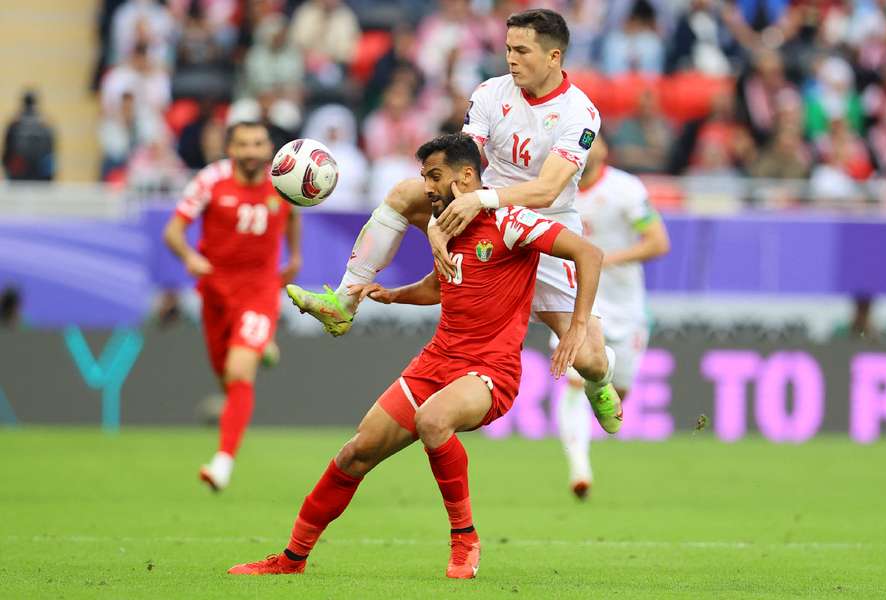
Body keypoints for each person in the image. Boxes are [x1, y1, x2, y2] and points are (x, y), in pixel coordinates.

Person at [228, 132, 604, 578]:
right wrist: (391, 295)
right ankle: (291, 559)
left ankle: (465, 540)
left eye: (434, 175)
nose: (426, 186)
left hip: (490, 370)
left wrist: (578, 324)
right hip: (437, 360)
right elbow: (437, 287)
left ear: (467, 177)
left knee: (433, 420)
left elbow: (588, 253)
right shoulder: (445, 225)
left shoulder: (512, 222)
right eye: (424, 175)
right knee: (355, 453)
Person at [286, 8, 623, 434]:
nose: (511, 59)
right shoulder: (489, 93)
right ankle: (344, 301)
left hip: (544, 228)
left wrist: (481, 198)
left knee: (589, 359)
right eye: (507, 49)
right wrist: (437, 218)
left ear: (554, 57)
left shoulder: (579, 112)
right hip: (485, 219)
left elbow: (547, 189)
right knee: (406, 193)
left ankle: (602, 379)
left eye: (522, 51)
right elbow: (457, 164)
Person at [162, 121, 301, 492]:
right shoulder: (211, 180)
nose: (252, 151)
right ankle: (262, 348)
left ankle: (222, 462)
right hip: (215, 292)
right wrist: (189, 257)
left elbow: (295, 213)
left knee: (239, 372)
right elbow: (173, 231)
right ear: (231, 149)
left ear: (268, 148)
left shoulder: (282, 180)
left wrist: (296, 257)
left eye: (259, 144)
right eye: (244, 145)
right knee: (226, 375)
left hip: (259, 290)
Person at [555, 135, 670, 499]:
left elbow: (658, 242)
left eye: (597, 140)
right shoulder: (556, 191)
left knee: (612, 393)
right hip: (577, 303)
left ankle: (605, 373)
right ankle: (579, 468)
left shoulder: (625, 189)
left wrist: (603, 259)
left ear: (604, 148)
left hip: (626, 307)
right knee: (576, 379)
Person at [2, 91, 55, 181]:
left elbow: (6, 153)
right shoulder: (45, 125)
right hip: (41, 175)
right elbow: (50, 154)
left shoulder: (14, 124)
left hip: (17, 172)